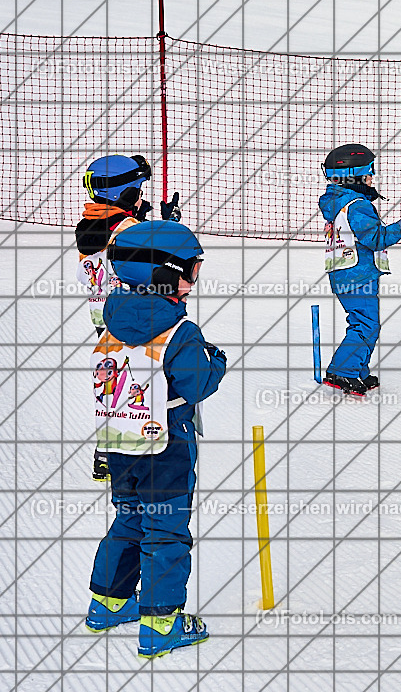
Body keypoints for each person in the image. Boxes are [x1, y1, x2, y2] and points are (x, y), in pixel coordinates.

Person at [84, 220, 226, 658]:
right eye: (190, 271)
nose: (193, 282)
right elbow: (198, 383)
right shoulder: (179, 332)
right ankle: (161, 624)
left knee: (129, 519)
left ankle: (108, 602)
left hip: (120, 443)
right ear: (162, 274)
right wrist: (214, 359)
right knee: (165, 529)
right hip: (166, 448)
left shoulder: (112, 324)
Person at [75, 154, 181, 481]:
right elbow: (164, 267)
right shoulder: (131, 231)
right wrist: (169, 227)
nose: (141, 196)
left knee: (113, 382)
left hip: (104, 318)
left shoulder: (90, 226)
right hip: (137, 316)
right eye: (137, 191)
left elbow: (89, 274)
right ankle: (140, 449)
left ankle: (105, 453)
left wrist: (141, 221)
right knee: (142, 382)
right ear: (123, 193)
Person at [318, 144, 401, 395]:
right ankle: (342, 372)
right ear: (353, 176)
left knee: (365, 323)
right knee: (365, 325)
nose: (371, 179)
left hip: (347, 271)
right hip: (357, 274)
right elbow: (376, 239)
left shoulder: (340, 201)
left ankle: (357, 369)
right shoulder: (356, 205)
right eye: (368, 175)